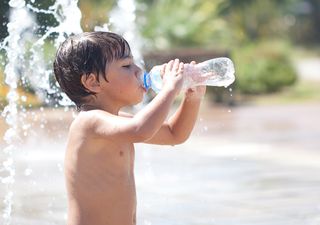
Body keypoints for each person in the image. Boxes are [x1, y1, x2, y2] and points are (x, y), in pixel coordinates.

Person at [53, 31, 206, 225]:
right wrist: (169, 89)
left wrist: (193, 99)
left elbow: (174, 134)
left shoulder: (118, 121)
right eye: (126, 66)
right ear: (93, 82)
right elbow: (141, 129)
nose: (138, 70)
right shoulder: (89, 123)